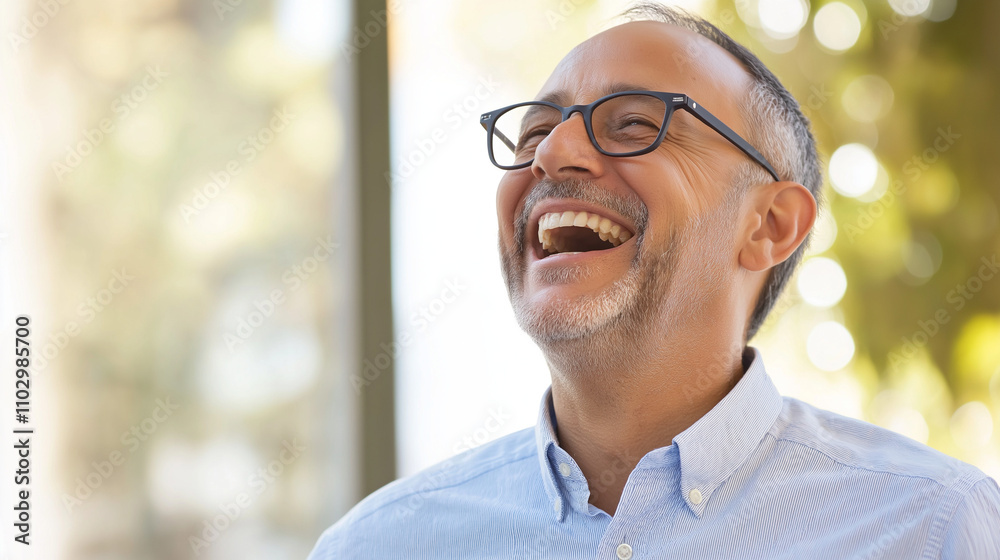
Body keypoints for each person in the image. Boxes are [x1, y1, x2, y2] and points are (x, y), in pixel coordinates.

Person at [309, 4, 1000, 558]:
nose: (553, 153)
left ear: (770, 226)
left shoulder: (935, 527)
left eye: (636, 123)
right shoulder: (374, 546)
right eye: (533, 133)